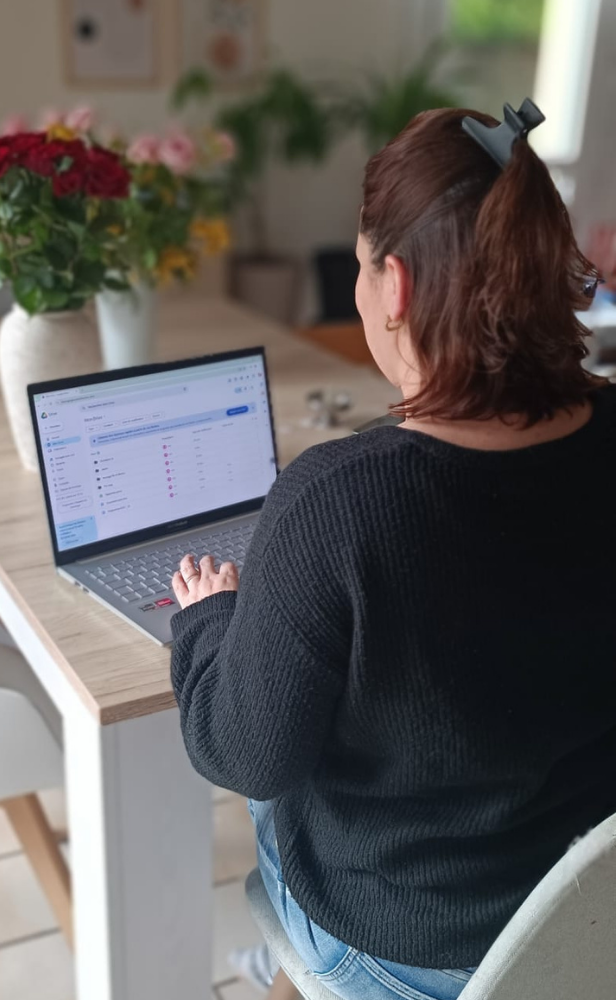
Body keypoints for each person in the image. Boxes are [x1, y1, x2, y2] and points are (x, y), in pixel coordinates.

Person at [169, 105, 616, 1000]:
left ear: (396, 285)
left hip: (416, 955)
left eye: (362, 264)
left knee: (270, 756)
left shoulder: (337, 503)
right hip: (583, 920)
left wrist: (209, 620)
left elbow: (245, 754)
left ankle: (293, 963)